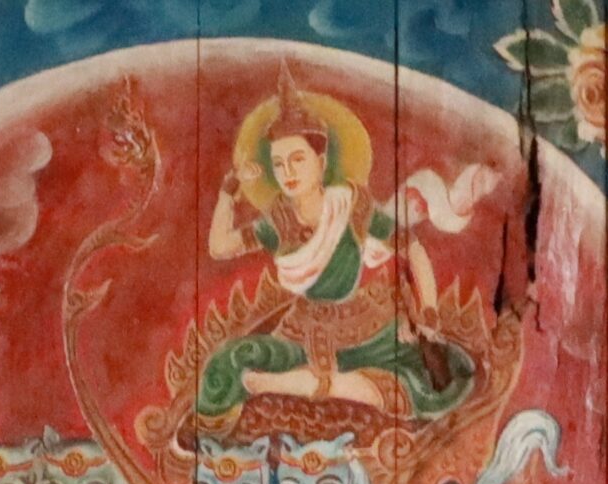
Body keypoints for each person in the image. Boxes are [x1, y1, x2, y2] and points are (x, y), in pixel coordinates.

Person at [199, 65, 488, 419]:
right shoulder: (279, 221)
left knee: (431, 380)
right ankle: (301, 381)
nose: (289, 172)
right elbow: (220, 247)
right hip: (302, 334)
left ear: (320, 162)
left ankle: (285, 384)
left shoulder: (351, 206)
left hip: (368, 330)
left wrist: (426, 316)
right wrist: (228, 193)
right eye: (279, 164)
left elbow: (412, 248)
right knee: (231, 361)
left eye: (297, 159)